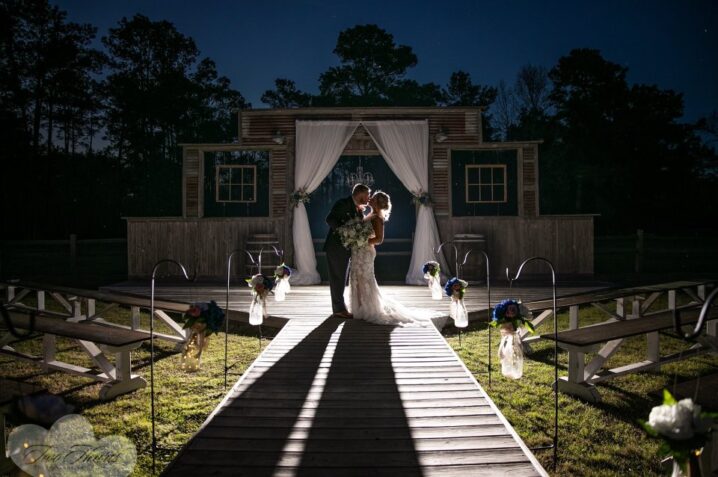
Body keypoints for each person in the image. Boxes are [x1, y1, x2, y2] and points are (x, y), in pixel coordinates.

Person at [345, 191, 446, 328]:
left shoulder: (377, 218)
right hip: (359, 251)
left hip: (365, 252)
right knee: (356, 276)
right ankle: (358, 307)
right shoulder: (370, 214)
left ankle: (368, 308)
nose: (370, 199)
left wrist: (362, 240)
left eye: (373, 198)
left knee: (365, 277)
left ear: (377, 203)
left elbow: (379, 239)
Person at [324, 183, 370, 318]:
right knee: (337, 278)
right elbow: (330, 219)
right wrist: (343, 231)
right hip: (336, 247)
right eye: (367, 195)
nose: (368, 198)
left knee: (342, 279)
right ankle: (338, 310)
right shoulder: (343, 203)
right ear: (360, 193)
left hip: (347, 248)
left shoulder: (358, 209)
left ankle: (340, 308)